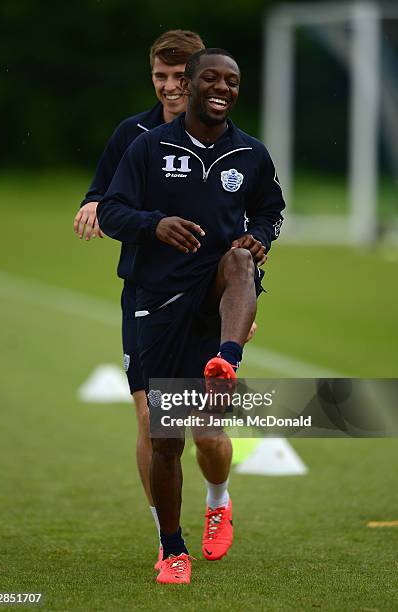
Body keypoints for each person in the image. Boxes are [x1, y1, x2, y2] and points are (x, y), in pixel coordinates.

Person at [97, 48, 285, 584]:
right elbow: (111, 209)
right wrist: (154, 225)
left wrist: (261, 235)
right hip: (157, 299)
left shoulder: (252, 153)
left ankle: (227, 361)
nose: (223, 87)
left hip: (217, 297)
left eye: (233, 80)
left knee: (240, 260)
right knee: (164, 437)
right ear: (193, 86)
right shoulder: (148, 146)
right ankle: (172, 547)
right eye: (212, 78)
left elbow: (270, 209)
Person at [73, 31, 205, 568]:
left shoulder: (226, 142)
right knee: (152, 416)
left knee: (206, 427)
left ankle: (217, 501)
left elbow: (246, 228)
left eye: (180, 78)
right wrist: (92, 205)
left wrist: (242, 309)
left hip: (203, 294)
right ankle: (166, 536)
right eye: (161, 77)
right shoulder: (133, 133)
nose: (170, 88)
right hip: (145, 294)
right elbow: (102, 191)